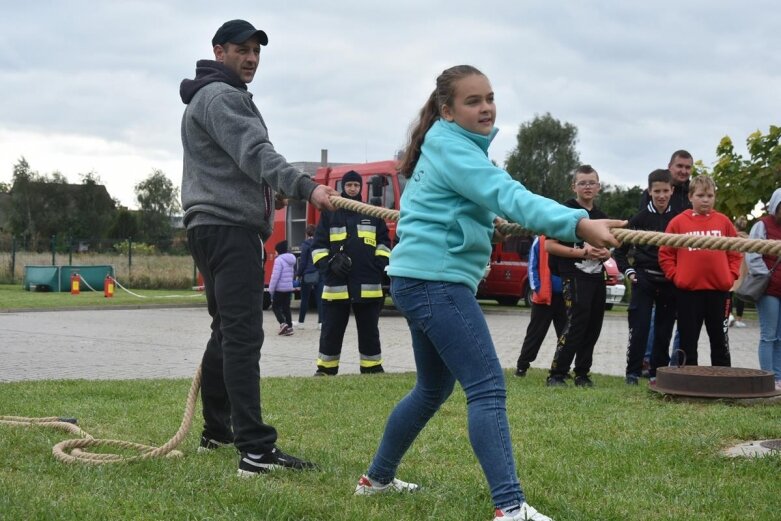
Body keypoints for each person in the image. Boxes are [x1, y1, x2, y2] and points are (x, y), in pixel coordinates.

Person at [353, 65, 624, 521]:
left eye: (490, 98)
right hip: (434, 282)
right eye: (473, 101)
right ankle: (509, 507)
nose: (486, 108)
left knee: (432, 388)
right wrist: (578, 221)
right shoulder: (453, 149)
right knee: (487, 388)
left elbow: (469, 201)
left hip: (419, 279)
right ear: (447, 110)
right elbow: (506, 192)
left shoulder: (448, 146)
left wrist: (485, 219)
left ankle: (376, 480)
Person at [180, 19, 338, 476]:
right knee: (244, 335)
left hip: (210, 227)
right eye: (241, 50)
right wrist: (306, 187)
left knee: (226, 331)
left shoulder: (208, 97)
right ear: (218, 51)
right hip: (228, 231)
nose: (251, 59)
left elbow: (237, 165)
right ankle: (255, 450)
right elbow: (257, 153)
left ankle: (217, 431)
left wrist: (272, 195)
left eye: (256, 52)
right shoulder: (221, 97)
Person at [311, 170, 391, 376]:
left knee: (369, 331)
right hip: (337, 285)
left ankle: (372, 367)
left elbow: (384, 242)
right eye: (349, 185)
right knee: (331, 330)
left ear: (360, 188)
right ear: (342, 188)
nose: (353, 188)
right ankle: (326, 369)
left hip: (368, 284)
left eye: (356, 185)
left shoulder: (372, 212)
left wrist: (379, 263)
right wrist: (331, 263)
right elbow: (318, 246)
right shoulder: (330, 213)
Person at [658, 175, 741, 368]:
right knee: (688, 339)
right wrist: (676, 277)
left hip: (718, 291)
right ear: (690, 197)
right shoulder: (678, 223)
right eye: (701, 195)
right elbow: (665, 254)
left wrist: (731, 276)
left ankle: (722, 379)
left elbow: (736, 252)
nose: (706, 199)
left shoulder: (724, 222)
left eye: (710, 195)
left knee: (719, 339)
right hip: (688, 292)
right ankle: (688, 378)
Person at [545, 165, 613, 388]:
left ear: (598, 187)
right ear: (573, 187)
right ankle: (557, 374)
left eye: (591, 182)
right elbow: (549, 245)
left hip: (596, 277)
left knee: (594, 326)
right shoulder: (564, 211)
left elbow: (610, 247)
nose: (587, 186)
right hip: (573, 275)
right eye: (582, 182)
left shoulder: (601, 217)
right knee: (575, 324)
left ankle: (582, 373)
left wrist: (605, 253)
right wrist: (583, 252)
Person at [614, 169, 677, 385]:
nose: (661, 195)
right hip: (643, 279)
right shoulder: (639, 218)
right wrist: (630, 272)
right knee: (639, 328)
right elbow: (619, 251)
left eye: (665, 191)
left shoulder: (677, 219)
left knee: (664, 330)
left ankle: (657, 374)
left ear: (672, 191)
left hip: (669, 281)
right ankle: (632, 373)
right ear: (649, 191)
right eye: (657, 191)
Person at [515, 235, 567, 377]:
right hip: (543, 298)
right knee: (535, 334)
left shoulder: (568, 239)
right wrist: (537, 288)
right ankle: (522, 367)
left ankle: (561, 369)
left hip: (565, 298)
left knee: (565, 336)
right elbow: (532, 266)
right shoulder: (540, 240)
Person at [745, 187, 781, 390]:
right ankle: (768, 376)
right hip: (768, 290)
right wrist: (768, 275)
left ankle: (779, 377)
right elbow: (752, 255)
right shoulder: (762, 226)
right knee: (769, 335)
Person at [295, 224, 322, 328]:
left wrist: (298, 274)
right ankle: (320, 323)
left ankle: (301, 323)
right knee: (320, 300)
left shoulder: (305, 245)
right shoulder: (319, 244)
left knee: (304, 300)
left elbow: (303, 262)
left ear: (306, 233)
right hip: (318, 274)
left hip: (307, 275)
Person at [269, 240, 295, 336]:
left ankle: (283, 323)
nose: (275, 253)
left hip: (280, 289)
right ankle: (290, 327)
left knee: (275, 307)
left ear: (279, 251)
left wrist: (271, 289)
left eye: (275, 251)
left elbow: (275, 276)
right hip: (288, 288)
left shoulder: (278, 260)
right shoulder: (291, 259)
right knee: (286, 308)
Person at [728, 216, 749, 328]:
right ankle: (739, 319)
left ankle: (729, 315)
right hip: (744, 267)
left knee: (729, 293)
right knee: (740, 295)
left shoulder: (731, 236)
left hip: (732, 266)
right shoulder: (748, 238)